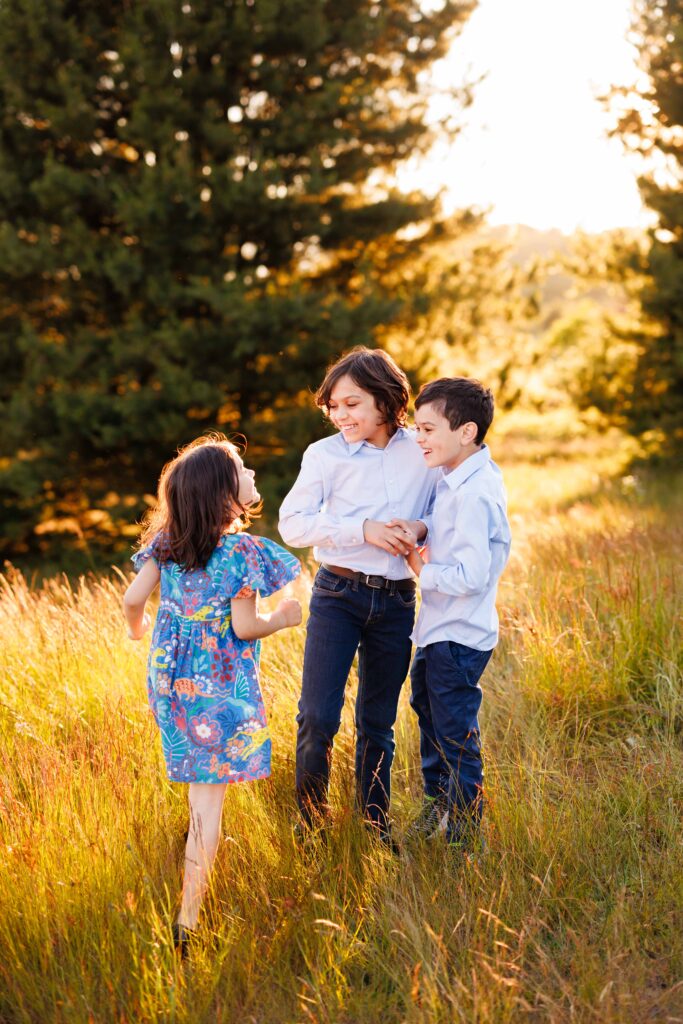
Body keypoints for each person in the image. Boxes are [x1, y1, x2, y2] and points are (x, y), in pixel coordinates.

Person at [123, 434, 301, 956]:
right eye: (243, 469)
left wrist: (140, 629)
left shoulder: (167, 545)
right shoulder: (243, 552)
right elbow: (244, 628)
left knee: (197, 789)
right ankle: (189, 919)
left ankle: (188, 896)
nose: (251, 475)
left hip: (169, 682)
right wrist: (282, 619)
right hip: (219, 689)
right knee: (208, 804)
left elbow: (133, 599)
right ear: (227, 494)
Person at [278, 347, 436, 847]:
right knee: (318, 716)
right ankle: (310, 823)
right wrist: (360, 529)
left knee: (378, 722)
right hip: (337, 595)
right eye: (333, 406)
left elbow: (438, 509)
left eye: (352, 404)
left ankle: (374, 824)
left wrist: (421, 525)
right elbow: (292, 524)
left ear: (387, 402)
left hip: (396, 601)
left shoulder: (422, 451)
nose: (340, 415)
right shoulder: (324, 455)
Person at [394, 377, 511, 853]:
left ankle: (465, 835)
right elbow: (446, 526)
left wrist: (419, 567)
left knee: (456, 735)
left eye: (427, 429)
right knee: (428, 712)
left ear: (466, 432)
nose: (418, 438)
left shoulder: (474, 492)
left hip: (459, 635)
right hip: (438, 630)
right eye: (416, 428)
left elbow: (472, 575)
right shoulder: (455, 477)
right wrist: (422, 526)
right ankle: (438, 806)